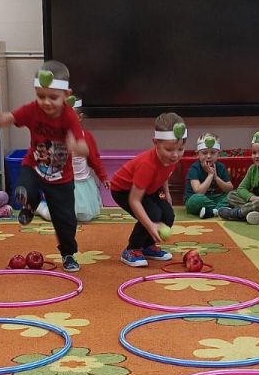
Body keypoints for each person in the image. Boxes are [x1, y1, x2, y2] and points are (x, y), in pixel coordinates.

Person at [0, 60, 88, 272]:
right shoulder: (32, 110)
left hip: (61, 178)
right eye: (41, 96)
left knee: (65, 221)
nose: (46, 102)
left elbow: (84, 149)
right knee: (22, 190)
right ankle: (30, 204)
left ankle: (68, 254)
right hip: (34, 167)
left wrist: (75, 145)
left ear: (66, 94)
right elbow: (0, 121)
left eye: (53, 97)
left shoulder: (69, 117)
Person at [110, 112, 187, 266]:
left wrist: (167, 193)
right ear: (155, 142)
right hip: (124, 190)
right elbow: (134, 200)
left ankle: (147, 246)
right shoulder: (147, 165)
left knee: (168, 214)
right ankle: (132, 249)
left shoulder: (170, 158)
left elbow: (164, 174)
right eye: (169, 149)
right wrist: (150, 225)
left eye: (180, 149)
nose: (175, 155)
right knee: (153, 215)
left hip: (148, 189)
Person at [36, 99, 109, 223]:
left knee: (85, 217)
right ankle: (40, 207)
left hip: (83, 184)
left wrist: (103, 177)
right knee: (58, 217)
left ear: (79, 117)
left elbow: (95, 159)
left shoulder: (86, 137)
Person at [184, 133, 233, 218]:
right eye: (204, 153)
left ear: (218, 154)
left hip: (215, 197)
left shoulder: (220, 167)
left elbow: (229, 188)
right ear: (198, 154)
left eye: (213, 153)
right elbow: (199, 192)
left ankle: (213, 211)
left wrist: (216, 178)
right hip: (198, 199)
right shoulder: (194, 168)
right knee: (195, 200)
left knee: (233, 195)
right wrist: (210, 175)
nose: (209, 156)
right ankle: (219, 209)